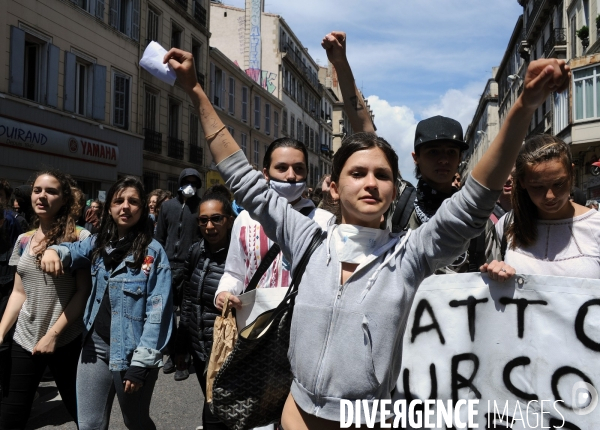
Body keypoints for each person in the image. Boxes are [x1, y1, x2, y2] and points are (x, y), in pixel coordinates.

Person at [163, 44, 568, 428]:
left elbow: (477, 198)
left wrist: (523, 105)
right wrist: (195, 90)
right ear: (334, 187)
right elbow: (242, 177)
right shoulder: (307, 238)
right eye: (358, 173)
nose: (371, 183)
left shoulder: (413, 253)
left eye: (383, 176)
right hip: (293, 416)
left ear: (395, 190)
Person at [40, 176, 173, 430]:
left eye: (133, 201)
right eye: (118, 200)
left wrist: (141, 364)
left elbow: (158, 312)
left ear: (142, 208)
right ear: (109, 206)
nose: (125, 207)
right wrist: (53, 251)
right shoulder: (98, 242)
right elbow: (72, 250)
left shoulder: (153, 253)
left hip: (133, 352)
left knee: (135, 421)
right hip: (95, 347)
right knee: (89, 424)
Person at [0, 170, 91, 429]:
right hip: (25, 339)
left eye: (51, 191)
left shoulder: (79, 238)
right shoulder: (23, 240)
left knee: (85, 418)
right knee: (10, 418)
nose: (42, 196)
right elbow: (19, 292)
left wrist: (53, 335)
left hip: (65, 340)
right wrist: (1, 331)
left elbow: (82, 292)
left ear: (64, 199)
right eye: (38, 190)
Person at [214, 138, 334, 312]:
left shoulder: (325, 222)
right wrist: (223, 292)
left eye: (299, 168)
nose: (291, 175)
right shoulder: (245, 219)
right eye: (282, 168)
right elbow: (234, 272)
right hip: (254, 325)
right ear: (266, 173)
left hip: (301, 324)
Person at [493, 135, 600, 278]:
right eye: (537, 187)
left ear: (571, 173)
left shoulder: (596, 226)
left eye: (558, 184)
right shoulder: (508, 225)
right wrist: (495, 271)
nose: (550, 196)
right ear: (523, 182)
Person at [174, 185, 234, 429]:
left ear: (229, 220)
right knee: (211, 403)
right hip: (199, 350)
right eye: (203, 221)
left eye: (216, 219)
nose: (210, 226)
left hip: (227, 354)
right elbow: (188, 298)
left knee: (218, 412)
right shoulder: (196, 251)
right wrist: (181, 344)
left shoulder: (240, 256)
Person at [155, 169, 202, 375]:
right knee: (166, 314)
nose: (190, 185)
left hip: (190, 267)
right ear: (180, 183)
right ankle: (172, 353)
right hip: (167, 267)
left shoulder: (201, 207)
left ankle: (183, 357)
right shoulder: (167, 207)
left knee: (186, 315)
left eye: (194, 182)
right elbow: (159, 237)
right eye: (187, 181)